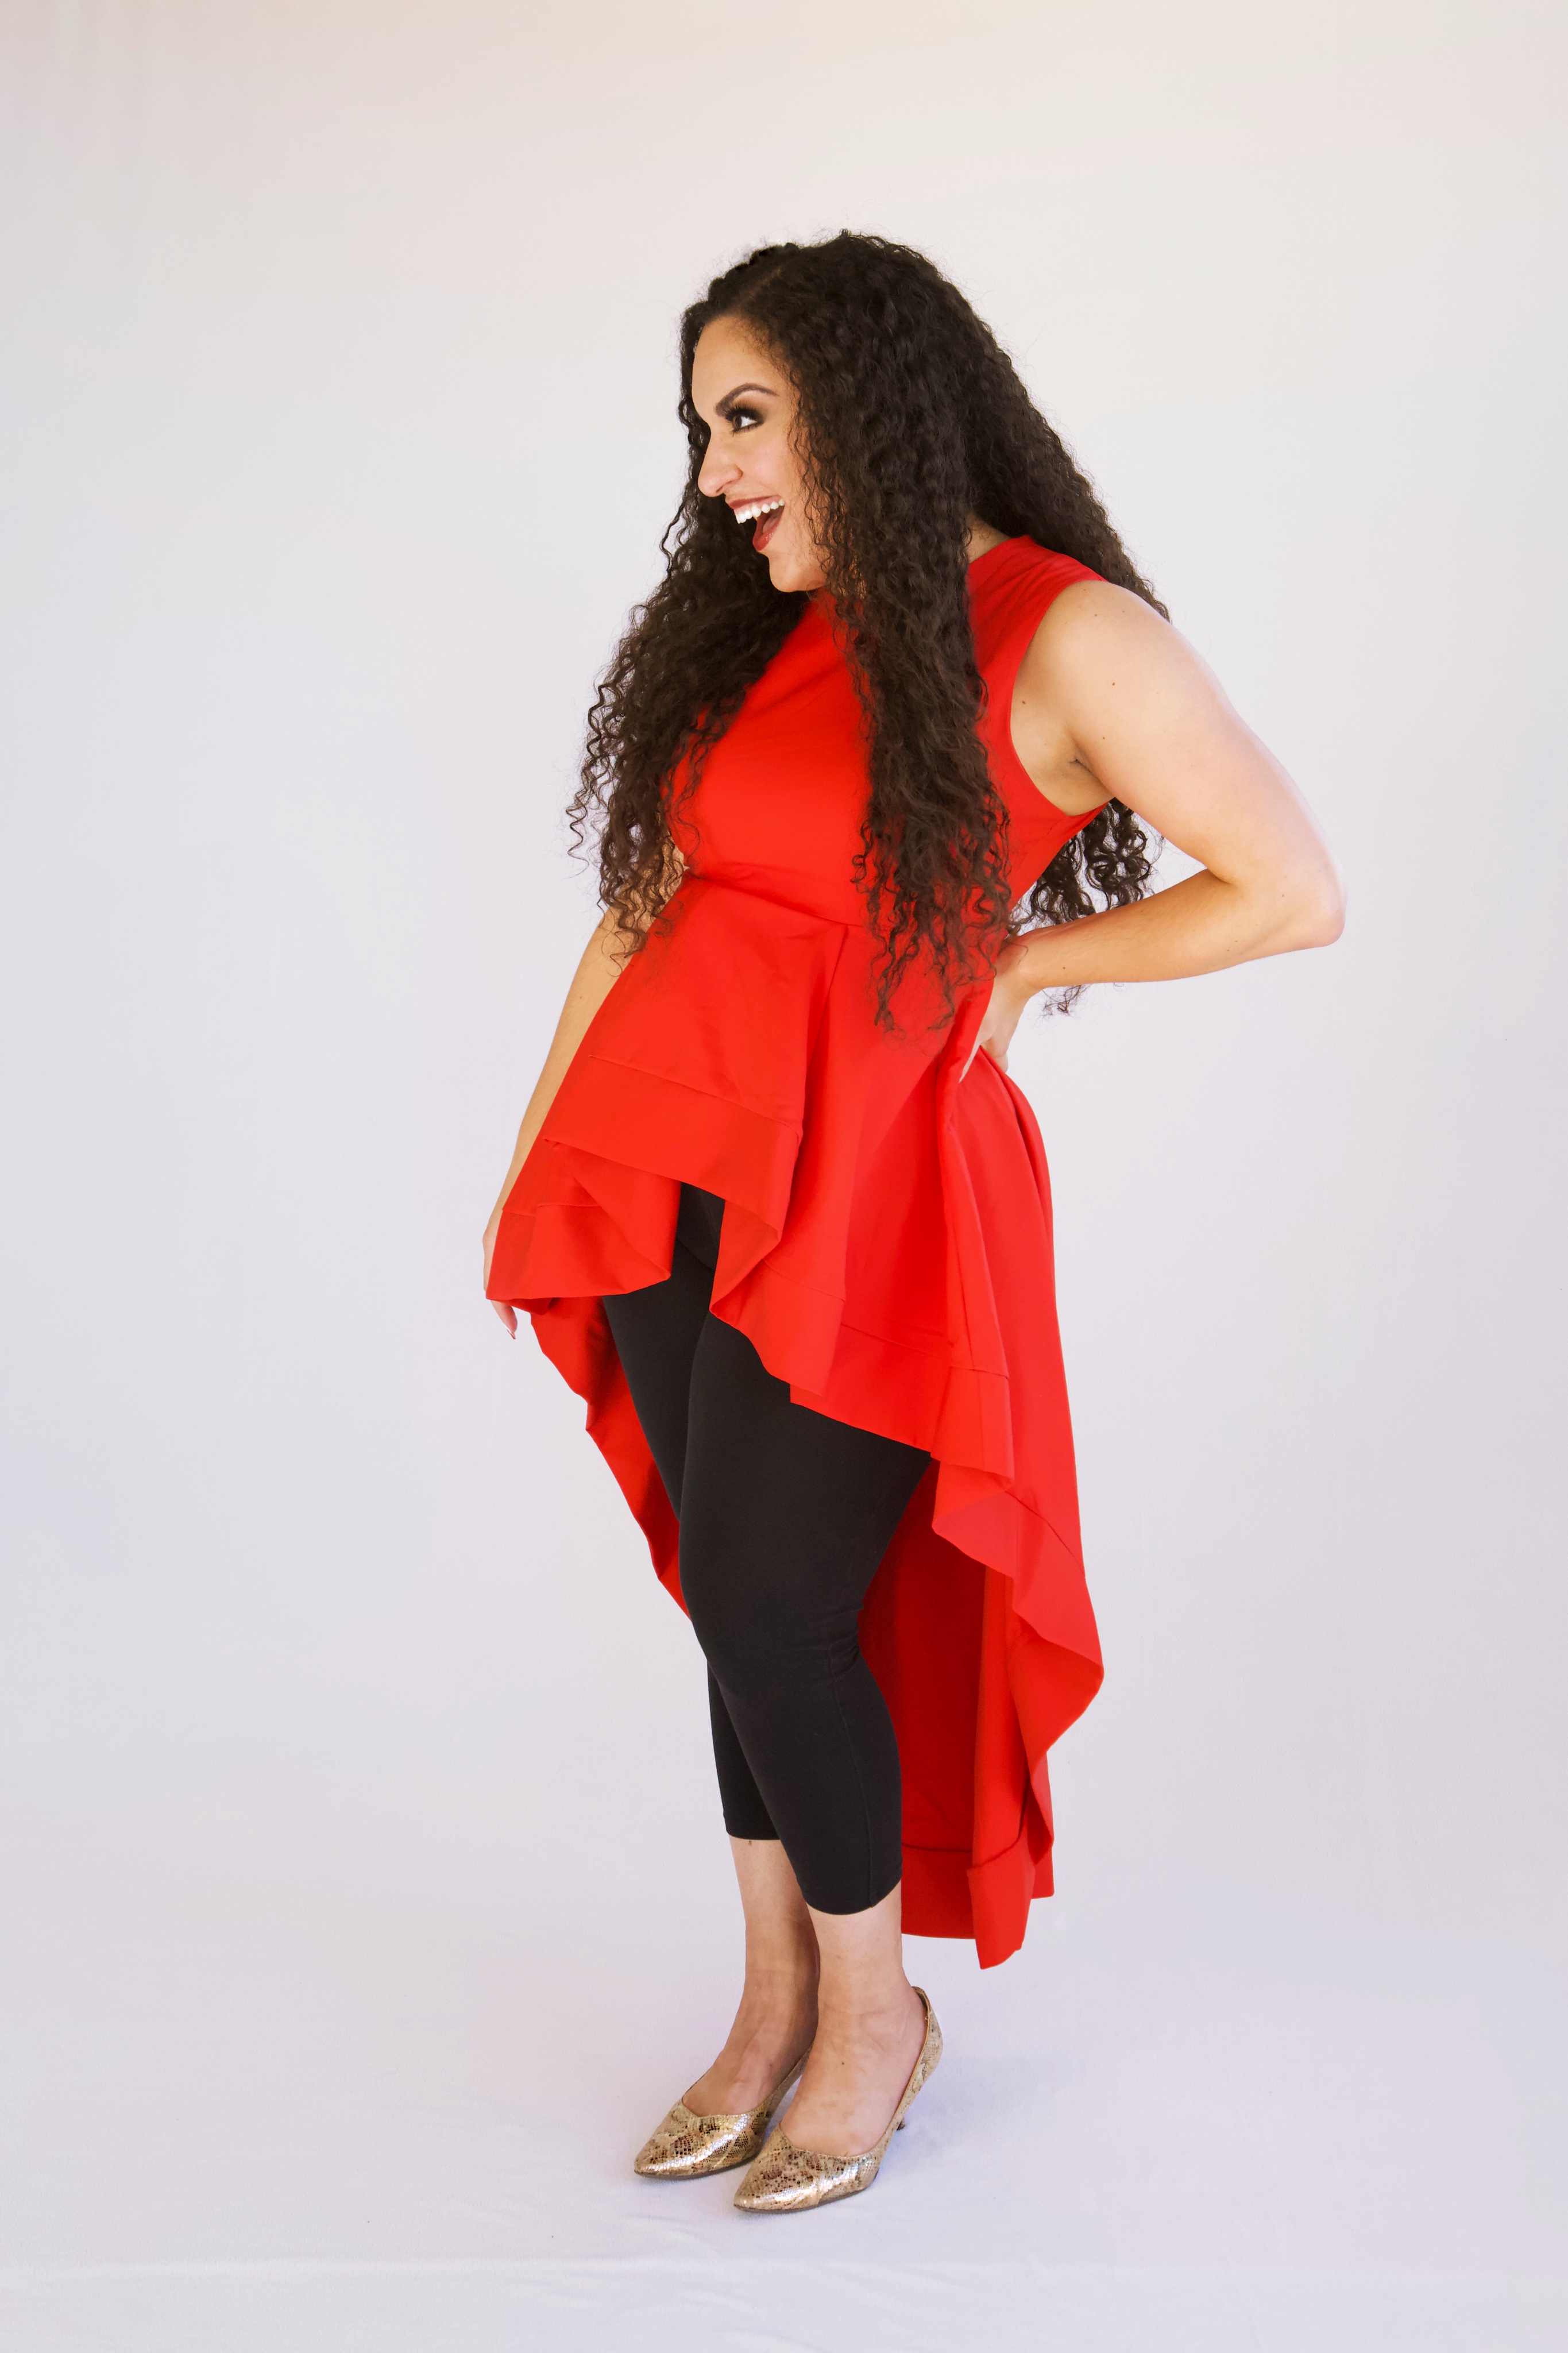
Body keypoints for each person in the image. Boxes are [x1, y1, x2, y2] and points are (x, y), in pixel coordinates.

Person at [482, 233, 1343, 2215]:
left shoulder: (1062, 632)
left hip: (872, 1185)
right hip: (667, 1155)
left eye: (747, 418)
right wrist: (536, 1158)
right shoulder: (761, 630)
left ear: (873, 402)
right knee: (726, 1596)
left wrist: (1031, 962)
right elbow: (646, 906)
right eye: (701, 430)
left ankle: (877, 2018)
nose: (715, 472)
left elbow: (1290, 887)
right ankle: (772, 1994)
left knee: (776, 1603)